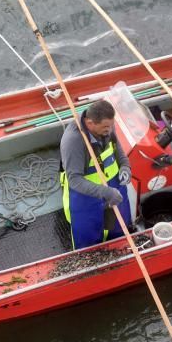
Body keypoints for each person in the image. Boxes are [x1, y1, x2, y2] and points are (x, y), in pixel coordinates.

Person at [60, 99, 133, 249]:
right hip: (86, 196)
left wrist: (125, 166)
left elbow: (116, 146)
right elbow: (74, 180)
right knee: (89, 237)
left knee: (119, 227)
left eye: (112, 125)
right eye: (106, 127)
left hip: (114, 185)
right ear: (90, 123)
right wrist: (105, 192)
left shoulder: (108, 126)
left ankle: (119, 248)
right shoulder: (73, 141)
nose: (110, 129)